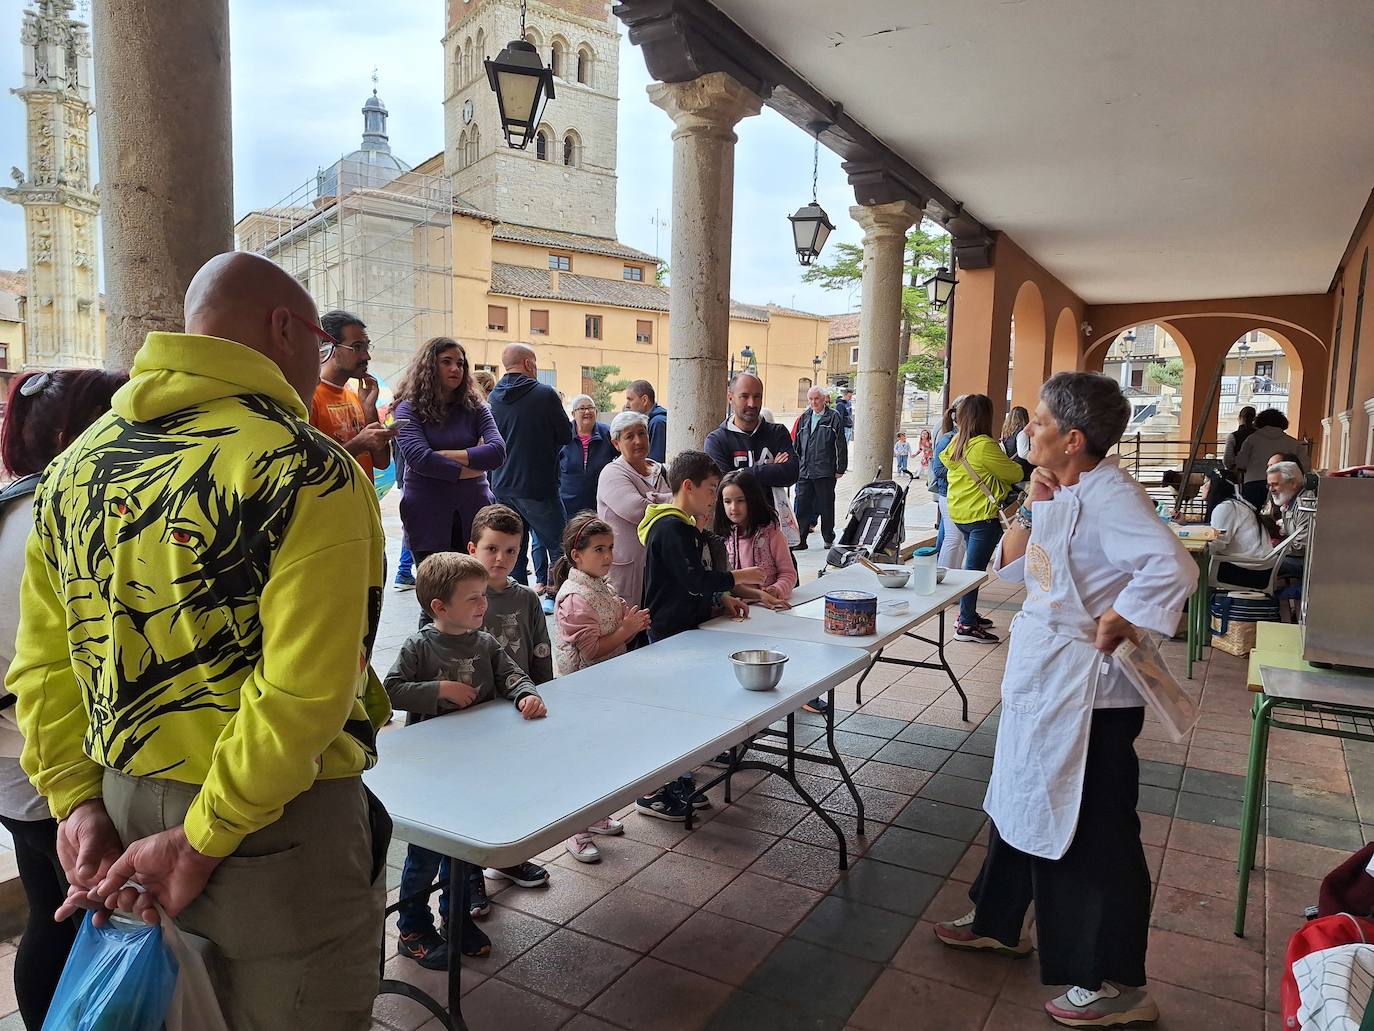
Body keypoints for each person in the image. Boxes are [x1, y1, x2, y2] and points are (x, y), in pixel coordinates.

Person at [7, 252, 391, 1030]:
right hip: (269, 826)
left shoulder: (73, 471)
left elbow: (43, 666)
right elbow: (304, 697)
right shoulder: (308, 469)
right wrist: (201, 837)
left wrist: (74, 801)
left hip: (115, 805)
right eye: (317, 340)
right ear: (283, 327)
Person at [934, 372, 1195, 1029]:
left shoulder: (1112, 495)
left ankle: (1117, 983)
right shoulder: (1063, 483)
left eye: (1042, 421)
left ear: (1073, 439)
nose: (1029, 429)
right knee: (1020, 792)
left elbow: (1173, 566)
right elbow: (1013, 562)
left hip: (1090, 695)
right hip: (1042, 676)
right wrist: (1033, 500)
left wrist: (1127, 617)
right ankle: (999, 919)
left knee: (1094, 831)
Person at [0, 368, 125, 1029]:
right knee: (66, 911)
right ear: (66, 436)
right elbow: (57, 663)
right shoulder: (46, 519)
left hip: (17, 759)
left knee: (55, 902)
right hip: (39, 757)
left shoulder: (15, 504)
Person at [383, 553, 547, 971]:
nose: (482, 605)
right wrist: (439, 689)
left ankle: (456, 917)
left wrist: (526, 694)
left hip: (478, 767)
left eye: (482, 597)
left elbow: (513, 674)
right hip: (432, 772)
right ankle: (413, 928)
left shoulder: (486, 642)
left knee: (465, 852)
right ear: (439, 607)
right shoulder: (419, 646)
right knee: (425, 857)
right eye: (473, 598)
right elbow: (391, 690)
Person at [635, 451, 760, 820]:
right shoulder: (670, 528)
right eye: (710, 489)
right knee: (674, 713)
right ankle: (658, 790)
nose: (713, 497)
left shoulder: (685, 527)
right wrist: (737, 579)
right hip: (668, 631)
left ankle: (682, 777)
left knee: (688, 709)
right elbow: (693, 579)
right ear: (687, 486)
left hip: (686, 627)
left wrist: (721, 598)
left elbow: (693, 579)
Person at [549, 512, 648, 860]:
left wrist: (628, 619)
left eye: (609, 548)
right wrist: (627, 630)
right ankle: (575, 831)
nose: (607, 556)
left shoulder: (600, 584)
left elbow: (616, 614)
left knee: (602, 755)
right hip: (580, 692)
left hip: (605, 687)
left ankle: (595, 816)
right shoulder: (575, 596)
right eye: (598, 549)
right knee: (581, 760)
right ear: (577, 556)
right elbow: (590, 651)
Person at [395, 337, 507, 618]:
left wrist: (447, 456)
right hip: (428, 515)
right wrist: (472, 466)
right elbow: (419, 458)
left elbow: (497, 452)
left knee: (476, 597)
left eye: (459, 363)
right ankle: (431, 660)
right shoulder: (408, 408)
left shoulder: (476, 407)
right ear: (429, 366)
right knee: (436, 602)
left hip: (475, 513)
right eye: (446, 362)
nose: (455, 368)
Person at [488, 344, 573, 595]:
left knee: (513, 548)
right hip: (537, 486)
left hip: (502, 486)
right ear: (528, 364)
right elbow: (566, 435)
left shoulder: (493, 398)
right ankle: (565, 600)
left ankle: (516, 600)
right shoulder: (545, 394)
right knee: (560, 546)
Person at [942, 394, 1024, 643]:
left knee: (972, 567)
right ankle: (965, 624)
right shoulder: (983, 446)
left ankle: (968, 614)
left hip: (960, 513)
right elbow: (1015, 472)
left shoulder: (956, 442)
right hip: (982, 517)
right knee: (974, 571)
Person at [703, 373, 801, 545]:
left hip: (775, 530)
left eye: (757, 397)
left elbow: (791, 473)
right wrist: (770, 470)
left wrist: (740, 473)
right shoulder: (717, 440)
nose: (752, 403)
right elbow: (725, 485)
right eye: (744, 396)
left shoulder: (777, 433)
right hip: (734, 536)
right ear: (730, 397)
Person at [597, 411, 672, 608]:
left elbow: (685, 507)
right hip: (628, 571)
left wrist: (653, 499)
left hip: (662, 568)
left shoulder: (661, 470)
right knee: (629, 630)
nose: (638, 441)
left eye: (642, 433)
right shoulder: (611, 474)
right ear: (616, 444)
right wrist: (672, 501)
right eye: (629, 436)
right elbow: (639, 511)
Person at [310, 309, 394, 482]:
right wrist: (359, 444)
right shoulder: (310, 399)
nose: (367, 356)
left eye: (367, 346)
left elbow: (382, 462)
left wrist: (369, 409)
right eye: (357, 347)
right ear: (328, 347)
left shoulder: (358, 396)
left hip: (363, 505)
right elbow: (313, 469)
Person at [713, 469, 796, 610]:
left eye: (740, 500)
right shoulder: (722, 538)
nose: (733, 508)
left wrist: (776, 589)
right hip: (735, 608)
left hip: (768, 607)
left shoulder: (773, 535)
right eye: (727, 501)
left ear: (753, 500)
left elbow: (788, 573)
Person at [793, 386, 848, 550]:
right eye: (810, 399)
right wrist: (795, 465)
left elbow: (841, 444)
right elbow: (797, 444)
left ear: (824, 399)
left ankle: (828, 537)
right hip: (805, 470)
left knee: (826, 505)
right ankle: (800, 540)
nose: (813, 402)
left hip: (825, 470)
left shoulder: (833, 417)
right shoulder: (804, 417)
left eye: (816, 399)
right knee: (801, 505)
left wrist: (840, 467)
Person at [1197, 470, 1273, 589]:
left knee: (1191, 567)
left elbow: (1217, 544)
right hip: (1258, 568)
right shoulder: (1234, 504)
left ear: (1215, 487)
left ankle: (1196, 605)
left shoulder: (1225, 508)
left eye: (1206, 483)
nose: (1202, 487)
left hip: (1252, 573)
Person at [1234, 408, 1307, 508]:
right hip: (1283, 484)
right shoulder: (1294, 443)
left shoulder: (1251, 440)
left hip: (1253, 484)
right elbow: (1305, 466)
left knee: (1252, 516)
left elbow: (1240, 463)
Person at [559, 394, 615, 521]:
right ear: (573, 413)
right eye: (582, 408)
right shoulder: (563, 433)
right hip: (568, 504)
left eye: (590, 408)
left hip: (599, 502)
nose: (587, 411)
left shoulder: (607, 433)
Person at [930, 398, 968, 571]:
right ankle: (942, 579)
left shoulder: (958, 437)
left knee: (957, 539)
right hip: (949, 493)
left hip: (956, 493)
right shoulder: (948, 438)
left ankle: (953, 578)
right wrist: (961, 474)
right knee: (952, 539)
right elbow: (938, 469)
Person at [1267, 460, 1317, 579]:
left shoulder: (1305, 503)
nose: (1271, 489)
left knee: (1264, 563)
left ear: (1293, 483)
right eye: (1269, 485)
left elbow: (1302, 546)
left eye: (1275, 484)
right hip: (1300, 558)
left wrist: (1275, 546)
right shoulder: (1290, 500)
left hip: (1308, 563)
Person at [624, 380, 668, 464]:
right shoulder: (652, 420)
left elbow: (655, 464)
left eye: (630, 399)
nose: (627, 405)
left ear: (644, 400)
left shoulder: (657, 423)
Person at [1000, 405, 1034, 480]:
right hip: (1022, 470)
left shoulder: (1006, 432)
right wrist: (1036, 458)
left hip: (1012, 467)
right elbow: (1023, 453)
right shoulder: (1022, 432)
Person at [1222, 405, 1257, 478]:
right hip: (1257, 473)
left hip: (1239, 474)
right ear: (1254, 418)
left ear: (1239, 418)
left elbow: (1227, 461)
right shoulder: (1260, 435)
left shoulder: (1233, 436)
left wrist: (1235, 469)